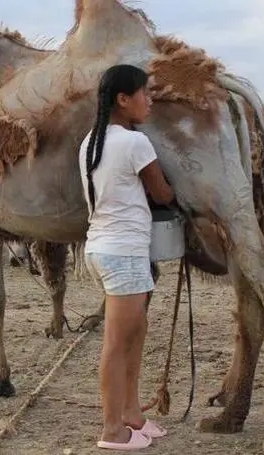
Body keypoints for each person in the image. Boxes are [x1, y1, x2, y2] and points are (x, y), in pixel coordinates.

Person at [79, 64, 175, 451]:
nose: (149, 100)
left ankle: (133, 416)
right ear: (123, 99)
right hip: (124, 253)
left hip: (101, 248)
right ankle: (112, 430)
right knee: (116, 343)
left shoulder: (90, 142)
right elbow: (163, 194)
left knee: (135, 333)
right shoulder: (136, 143)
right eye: (144, 93)